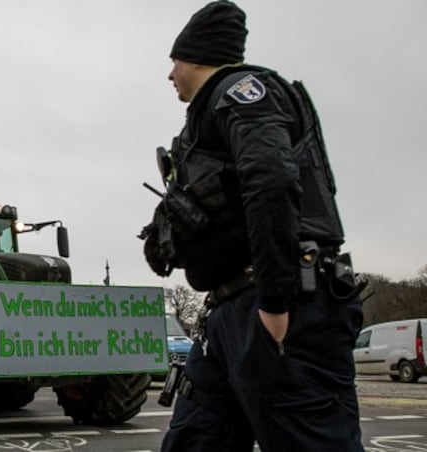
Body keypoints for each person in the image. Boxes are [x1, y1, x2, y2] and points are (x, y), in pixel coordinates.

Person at [142, 2, 365, 451]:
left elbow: (271, 181)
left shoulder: (245, 91)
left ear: (199, 55)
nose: (170, 74)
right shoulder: (202, 123)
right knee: (195, 442)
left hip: (277, 306)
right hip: (227, 312)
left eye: (175, 61)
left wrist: (274, 301)